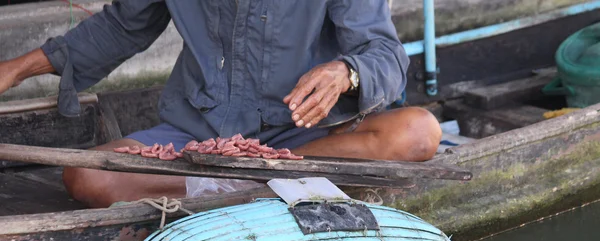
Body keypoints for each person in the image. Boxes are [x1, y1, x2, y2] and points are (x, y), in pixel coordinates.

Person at [0, 0, 441, 208]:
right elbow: (119, 29)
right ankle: (254, 186)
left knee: (418, 133)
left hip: (306, 140)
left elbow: (385, 56)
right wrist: (16, 69)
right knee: (86, 177)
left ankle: (254, 180)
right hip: (198, 140)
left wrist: (346, 72)